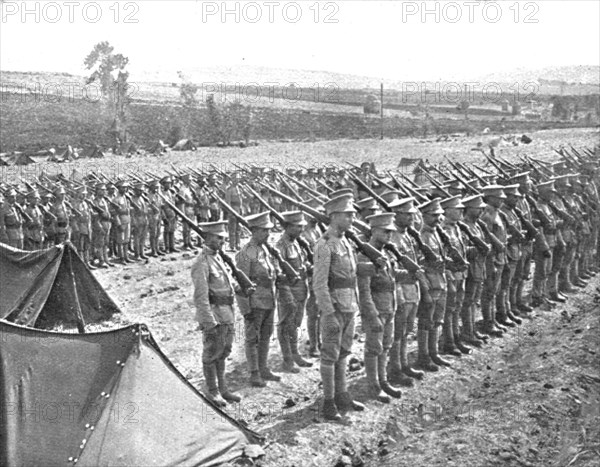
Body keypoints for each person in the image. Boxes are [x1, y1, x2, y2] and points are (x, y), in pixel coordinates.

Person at [313, 194, 365, 421]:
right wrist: (329, 312)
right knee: (329, 355)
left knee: (344, 353)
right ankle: (328, 402)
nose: (352, 217)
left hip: (349, 306)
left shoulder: (345, 241)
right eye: (348, 214)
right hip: (334, 309)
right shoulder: (324, 245)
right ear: (334, 216)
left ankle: (342, 394)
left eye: (353, 214)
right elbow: (320, 283)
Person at [191, 221, 241, 407]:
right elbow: (201, 297)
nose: (222, 241)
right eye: (219, 238)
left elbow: (224, 286)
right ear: (208, 238)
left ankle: (223, 388)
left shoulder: (218, 258)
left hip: (227, 313)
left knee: (224, 351)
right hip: (215, 316)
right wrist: (208, 322)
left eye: (223, 238)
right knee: (212, 353)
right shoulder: (201, 263)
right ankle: (212, 391)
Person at [357, 212, 403, 403]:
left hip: (389, 307)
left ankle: (383, 381)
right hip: (376, 310)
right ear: (374, 231)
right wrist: (372, 315)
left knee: (385, 346)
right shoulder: (365, 256)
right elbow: (364, 291)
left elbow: (391, 277)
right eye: (385, 231)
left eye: (391, 232)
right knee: (373, 348)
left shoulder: (385, 253)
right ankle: (373, 385)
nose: (389, 235)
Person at [235, 212, 280, 388]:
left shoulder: (264, 250)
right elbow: (240, 283)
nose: (268, 234)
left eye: (268, 231)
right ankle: (254, 373)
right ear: (254, 231)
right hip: (255, 302)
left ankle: (263, 367)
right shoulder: (245, 253)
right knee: (253, 338)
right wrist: (246, 310)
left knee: (266, 336)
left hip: (269, 299)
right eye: (264, 231)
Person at [415, 198, 450, 372]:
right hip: (430, 284)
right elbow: (419, 266)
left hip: (440, 282)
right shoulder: (422, 237)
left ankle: (434, 352)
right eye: (434, 215)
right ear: (424, 216)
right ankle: (424, 356)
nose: (438, 219)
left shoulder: (435, 233)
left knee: (437, 320)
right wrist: (425, 288)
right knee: (426, 322)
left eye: (439, 215)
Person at [276, 211, 313, 373]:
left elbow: (303, 262)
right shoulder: (280, 246)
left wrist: (308, 267)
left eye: (302, 226)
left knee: (296, 325)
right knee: (286, 325)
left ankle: (295, 353)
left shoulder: (298, 243)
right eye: (298, 226)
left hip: (301, 290)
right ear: (288, 227)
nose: (301, 229)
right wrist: (287, 294)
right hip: (289, 291)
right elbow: (278, 273)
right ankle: (287, 360)